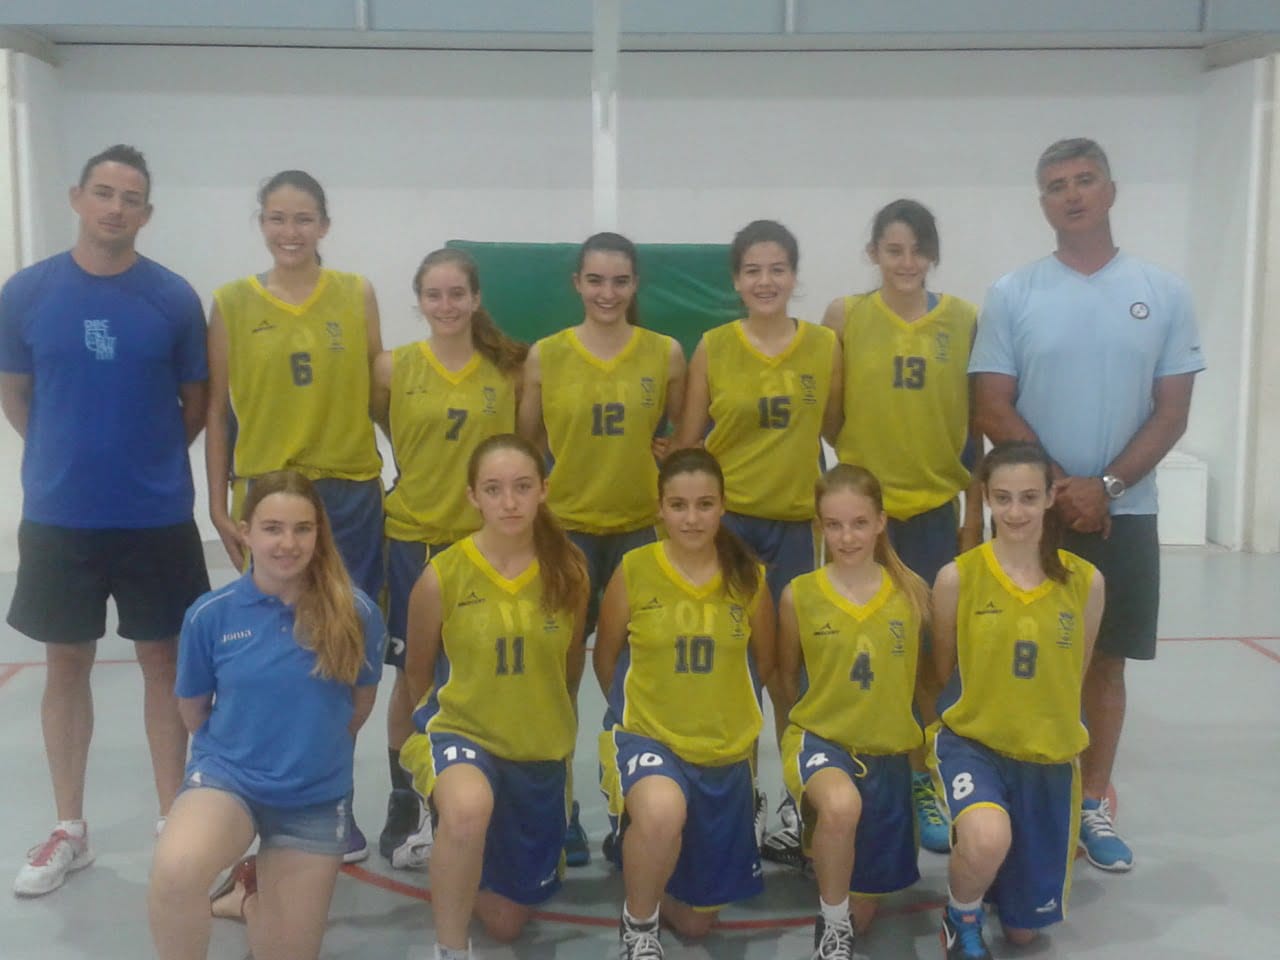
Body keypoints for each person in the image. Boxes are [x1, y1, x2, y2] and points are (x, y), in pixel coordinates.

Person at [970, 137, 1204, 871]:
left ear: (1110, 189)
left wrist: (1103, 489)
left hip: (1124, 514)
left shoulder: (1162, 292)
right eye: (1055, 186)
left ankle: (1092, 802)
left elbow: (1171, 413)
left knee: (1104, 664)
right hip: (1028, 517)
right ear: (1042, 202)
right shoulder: (1014, 293)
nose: (1071, 194)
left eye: (1083, 180)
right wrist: (1061, 490)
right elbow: (990, 404)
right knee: (1018, 659)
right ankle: (1019, 797)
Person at [0, 145, 210, 897]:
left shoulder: (174, 299)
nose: (115, 208)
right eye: (103, 193)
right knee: (66, 665)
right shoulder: (25, 293)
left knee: (164, 665)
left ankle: (171, 820)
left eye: (130, 198)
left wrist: (143, 460)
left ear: (147, 214)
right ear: (77, 198)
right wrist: (67, 456)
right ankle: (70, 829)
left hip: (155, 515)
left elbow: (195, 406)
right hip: (60, 517)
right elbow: (17, 393)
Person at [205, 169, 384, 861]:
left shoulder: (355, 293)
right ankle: (271, 796)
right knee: (280, 655)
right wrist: (219, 501)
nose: (290, 232)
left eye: (303, 219)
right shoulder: (229, 303)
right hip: (272, 495)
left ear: (324, 225)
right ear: (262, 223)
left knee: (341, 651)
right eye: (277, 218)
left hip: (348, 492)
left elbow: (379, 394)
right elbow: (218, 408)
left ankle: (332, 796)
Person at [801, 198, 981, 860]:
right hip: (863, 517)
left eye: (918, 249)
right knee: (852, 651)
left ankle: (926, 774)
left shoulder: (961, 319)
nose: (907, 262)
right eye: (894, 249)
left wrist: (973, 515)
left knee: (930, 655)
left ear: (932, 254)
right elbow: (829, 411)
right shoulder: (845, 316)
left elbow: (975, 423)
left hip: (932, 510)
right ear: (873, 252)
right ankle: (836, 772)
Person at [148, 471, 386, 960]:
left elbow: (358, 707)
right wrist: (240, 751)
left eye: (303, 529)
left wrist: (305, 752)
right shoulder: (209, 616)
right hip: (229, 781)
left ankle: (247, 900)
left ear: (319, 534)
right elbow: (193, 710)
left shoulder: (356, 614)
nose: (288, 542)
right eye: (273, 528)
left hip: (313, 800)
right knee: (176, 873)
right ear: (245, 531)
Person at [518, 231, 687, 865]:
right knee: (557, 674)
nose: (607, 292)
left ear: (635, 284)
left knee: (636, 676)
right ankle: (558, 805)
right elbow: (526, 441)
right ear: (577, 285)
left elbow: (677, 434)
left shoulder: (665, 354)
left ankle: (628, 805)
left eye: (619, 281)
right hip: (567, 532)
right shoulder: (546, 356)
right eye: (595, 280)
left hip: (641, 532)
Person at [675, 219, 840, 840]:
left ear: (794, 276)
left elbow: (835, 425)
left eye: (777, 269)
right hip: (730, 529)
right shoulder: (714, 346)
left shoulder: (825, 346)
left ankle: (800, 793)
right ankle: (736, 794)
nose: (765, 281)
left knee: (791, 670)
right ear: (736, 281)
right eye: (752, 270)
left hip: (796, 525)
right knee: (733, 668)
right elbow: (691, 442)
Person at [398, 434, 588, 960]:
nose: (509, 502)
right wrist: (434, 729)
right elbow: (417, 673)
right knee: (467, 807)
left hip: (537, 746)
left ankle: (458, 850)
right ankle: (450, 947)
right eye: (494, 488)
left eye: (522, 487)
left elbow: (571, 665)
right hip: (463, 733)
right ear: (472, 497)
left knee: (506, 924)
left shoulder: (569, 571)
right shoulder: (442, 576)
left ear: (543, 491)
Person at [372, 248, 527, 869]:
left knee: (472, 672)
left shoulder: (506, 373)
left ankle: (473, 789)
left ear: (475, 298)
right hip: (411, 537)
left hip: (480, 548)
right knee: (411, 675)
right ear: (419, 300)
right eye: (434, 295)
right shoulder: (391, 368)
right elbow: (388, 429)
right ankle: (405, 797)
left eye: (457, 293)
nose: (446, 305)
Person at [595, 448, 776, 960]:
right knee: (661, 809)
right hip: (648, 737)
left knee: (697, 926)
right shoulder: (634, 569)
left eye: (704, 504)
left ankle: (644, 859)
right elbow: (606, 660)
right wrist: (638, 718)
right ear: (659, 509)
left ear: (723, 506)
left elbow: (768, 666)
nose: (691, 518)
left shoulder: (749, 578)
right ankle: (639, 925)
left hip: (722, 751)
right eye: (678, 505)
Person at [931, 441, 1104, 959]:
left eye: (1029, 497)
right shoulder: (957, 577)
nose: (1015, 512)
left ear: (1052, 497)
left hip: (1047, 757)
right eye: (1002, 498)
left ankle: (995, 879)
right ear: (985, 498)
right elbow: (944, 669)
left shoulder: (1086, 583)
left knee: (1025, 933)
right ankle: (958, 915)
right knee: (986, 837)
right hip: (975, 745)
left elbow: (1077, 674)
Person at [771, 464, 930, 959]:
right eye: (834, 524)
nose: (846, 536)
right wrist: (792, 752)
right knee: (841, 806)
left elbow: (927, 684)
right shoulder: (800, 595)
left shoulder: (913, 595)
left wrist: (925, 765)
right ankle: (830, 922)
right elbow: (783, 678)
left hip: (886, 755)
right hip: (822, 741)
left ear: (881, 521)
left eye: (859, 523)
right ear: (819, 526)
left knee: (867, 912)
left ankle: (824, 858)